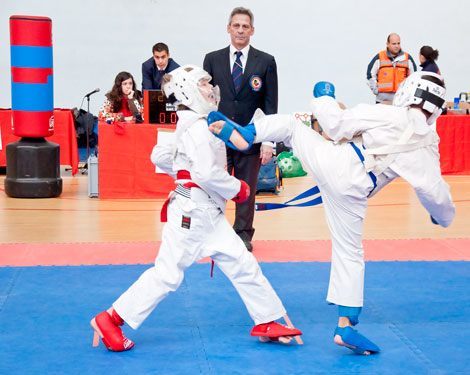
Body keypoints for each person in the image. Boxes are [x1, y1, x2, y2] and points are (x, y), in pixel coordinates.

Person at [208, 72, 455, 355]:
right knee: (350, 252)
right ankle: (345, 325)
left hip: (337, 163)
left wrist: (324, 96)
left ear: (407, 91)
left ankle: (246, 134)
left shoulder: (387, 115)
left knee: (290, 125)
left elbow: (335, 126)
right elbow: (436, 194)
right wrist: (439, 216)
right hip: (357, 191)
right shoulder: (428, 146)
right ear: (436, 108)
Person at [90, 65, 302, 352]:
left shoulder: (190, 123)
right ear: (187, 90)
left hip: (205, 213)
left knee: (242, 262)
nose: (211, 89)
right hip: (193, 213)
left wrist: (181, 167)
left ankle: (266, 319)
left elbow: (160, 156)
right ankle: (110, 319)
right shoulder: (199, 126)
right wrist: (236, 188)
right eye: (203, 84)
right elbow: (205, 172)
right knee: (167, 274)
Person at [203, 7, 277, 252]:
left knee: (246, 188)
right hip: (218, 135)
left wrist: (268, 141)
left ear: (252, 30)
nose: (240, 30)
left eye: (245, 26)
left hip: (250, 136)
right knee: (214, 186)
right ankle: (213, 232)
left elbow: (270, 103)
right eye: (236, 25)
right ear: (228, 28)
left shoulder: (265, 61)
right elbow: (206, 100)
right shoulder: (212, 59)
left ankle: (243, 234)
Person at [367, 33, 417, 103]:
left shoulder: (407, 58)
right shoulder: (380, 57)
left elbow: (413, 77)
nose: (397, 46)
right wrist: (375, 89)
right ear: (387, 44)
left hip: (400, 100)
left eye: (398, 43)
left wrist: (408, 92)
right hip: (382, 101)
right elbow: (370, 73)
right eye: (394, 44)